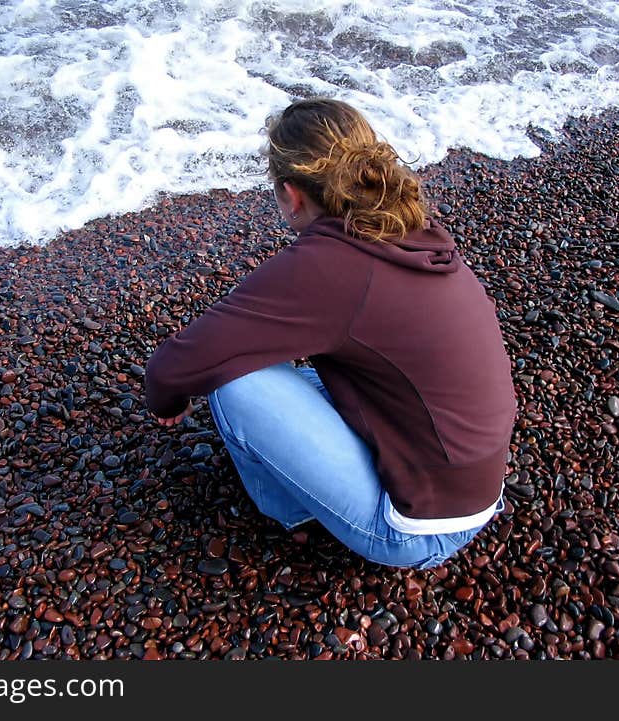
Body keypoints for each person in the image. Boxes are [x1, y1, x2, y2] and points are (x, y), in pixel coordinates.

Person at [145, 98, 517, 569]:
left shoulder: (331, 267)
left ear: (291, 193)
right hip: (472, 485)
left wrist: (169, 400)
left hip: (416, 531)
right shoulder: (408, 228)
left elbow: (179, 364)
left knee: (234, 381)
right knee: (289, 353)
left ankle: (289, 510)